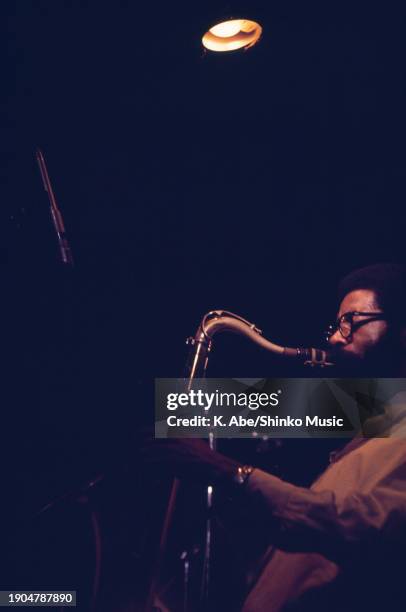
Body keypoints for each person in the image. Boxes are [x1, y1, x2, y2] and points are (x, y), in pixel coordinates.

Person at [144, 263, 406, 611]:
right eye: (336, 323)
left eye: (351, 321)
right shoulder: (374, 423)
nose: (334, 337)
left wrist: (230, 473)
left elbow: (363, 525)